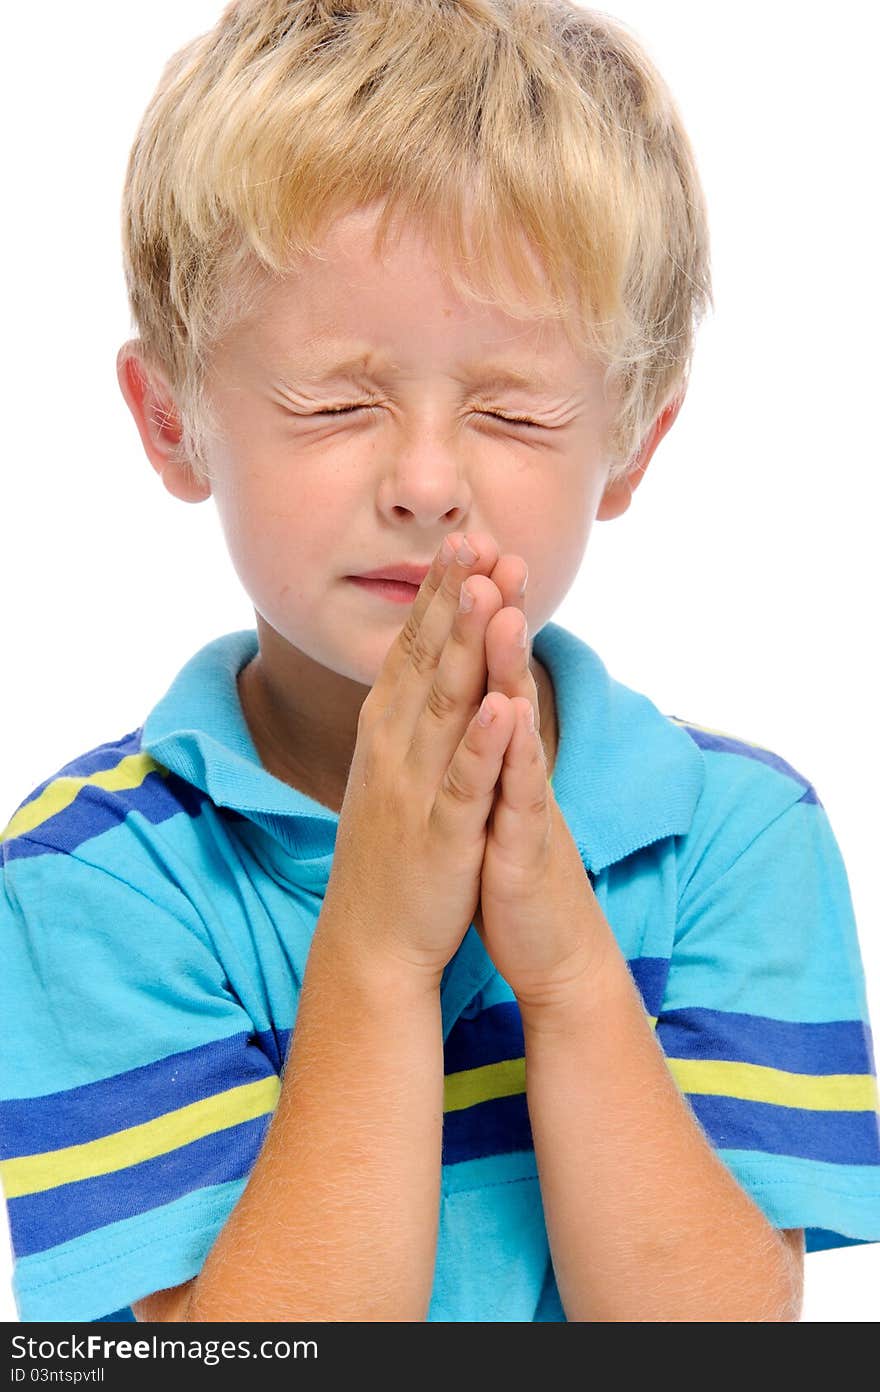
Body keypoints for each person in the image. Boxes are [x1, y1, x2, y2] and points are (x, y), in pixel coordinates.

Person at [1, 0, 878, 1324]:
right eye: (335, 402)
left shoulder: (736, 838)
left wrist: (573, 972)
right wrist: (379, 947)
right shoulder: (93, 878)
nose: (423, 483)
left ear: (631, 445)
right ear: (171, 417)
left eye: (512, 410)